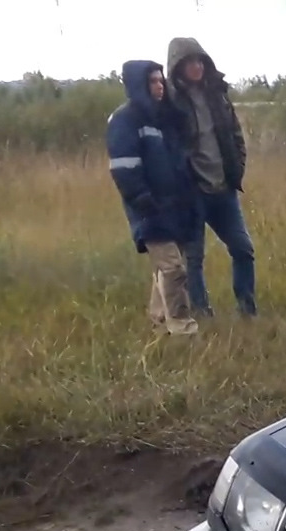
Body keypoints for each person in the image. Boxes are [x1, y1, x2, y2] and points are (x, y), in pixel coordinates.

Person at [106, 61, 200, 336]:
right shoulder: (125, 119)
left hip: (177, 205)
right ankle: (183, 328)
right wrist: (142, 199)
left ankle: (159, 321)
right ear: (138, 85)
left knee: (166, 269)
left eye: (161, 81)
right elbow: (123, 166)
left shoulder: (165, 117)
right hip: (150, 209)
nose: (159, 87)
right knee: (173, 269)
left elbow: (180, 159)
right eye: (152, 82)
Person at [166, 37, 255, 317]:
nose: (197, 66)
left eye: (200, 60)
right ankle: (202, 314)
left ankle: (247, 308)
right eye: (190, 61)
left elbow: (235, 134)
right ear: (178, 67)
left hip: (224, 189)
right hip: (192, 192)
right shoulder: (171, 102)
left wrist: (236, 169)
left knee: (243, 249)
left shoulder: (217, 93)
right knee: (193, 259)